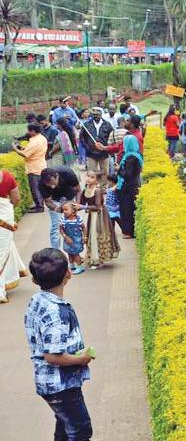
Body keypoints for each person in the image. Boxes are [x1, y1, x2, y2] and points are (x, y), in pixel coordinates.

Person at [24, 248, 95, 439]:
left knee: (65, 427)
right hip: (61, 385)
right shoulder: (56, 312)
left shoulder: (37, 300)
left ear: (34, 280)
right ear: (68, 274)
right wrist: (82, 359)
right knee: (80, 430)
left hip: (50, 383)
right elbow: (52, 356)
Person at [79, 171, 120, 269]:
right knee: (91, 236)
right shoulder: (86, 190)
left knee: (96, 236)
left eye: (92, 177)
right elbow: (82, 203)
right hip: (91, 215)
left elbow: (97, 206)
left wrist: (82, 206)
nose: (89, 178)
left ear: (96, 180)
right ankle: (93, 259)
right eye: (88, 176)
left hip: (99, 216)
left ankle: (98, 260)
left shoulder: (97, 190)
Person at [39, 167, 81, 249]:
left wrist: (77, 204)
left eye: (53, 183)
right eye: (48, 185)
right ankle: (55, 251)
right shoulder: (41, 184)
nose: (52, 187)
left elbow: (78, 190)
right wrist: (56, 209)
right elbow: (48, 201)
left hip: (69, 197)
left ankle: (73, 250)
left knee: (71, 225)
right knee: (56, 226)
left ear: (57, 176)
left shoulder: (68, 174)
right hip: (55, 201)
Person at [0, 169, 25, 303]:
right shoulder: (7, 176)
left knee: (5, 249)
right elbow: (16, 199)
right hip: (4, 215)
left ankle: (8, 279)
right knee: (2, 251)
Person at [13, 123, 48, 213]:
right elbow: (31, 150)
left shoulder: (34, 141)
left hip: (34, 167)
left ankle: (39, 206)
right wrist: (22, 148)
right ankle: (39, 204)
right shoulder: (42, 138)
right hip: (41, 164)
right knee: (39, 187)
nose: (27, 132)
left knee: (35, 188)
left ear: (33, 131)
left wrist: (15, 149)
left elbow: (25, 154)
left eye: (29, 130)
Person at [117, 133, 142, 239]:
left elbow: (127, 174)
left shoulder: (130, 158)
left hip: (128, 188)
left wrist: (119, 169)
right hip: (134, 185)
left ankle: (128, 231)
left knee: (127, 209)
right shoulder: (137, 155)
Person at [80, 108, 113, 185]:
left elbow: (111, 137)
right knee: (91, 172)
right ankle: (92, 187)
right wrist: (87, 148)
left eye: (97, 115)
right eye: (93, 115)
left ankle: (103, 187)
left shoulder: (107, 124)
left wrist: (107, 148)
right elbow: (82, 138)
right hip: (91, 153)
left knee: (105, 172)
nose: (95, 116)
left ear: (101, 114)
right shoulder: (86, 125)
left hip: (104, 153)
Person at [59, 202, 85, 274]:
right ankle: (71, 265)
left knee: (76, 254)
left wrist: (85, 236)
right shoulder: (63, 220)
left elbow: (83, 228)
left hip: (77, 240)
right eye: (63, 210)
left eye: (66, 209)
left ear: (73, 211)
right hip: (67, 239)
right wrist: (65, 236)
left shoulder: (78, 219)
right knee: (69, 252)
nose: (64, 211)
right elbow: (61, 229)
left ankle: (80, 267)